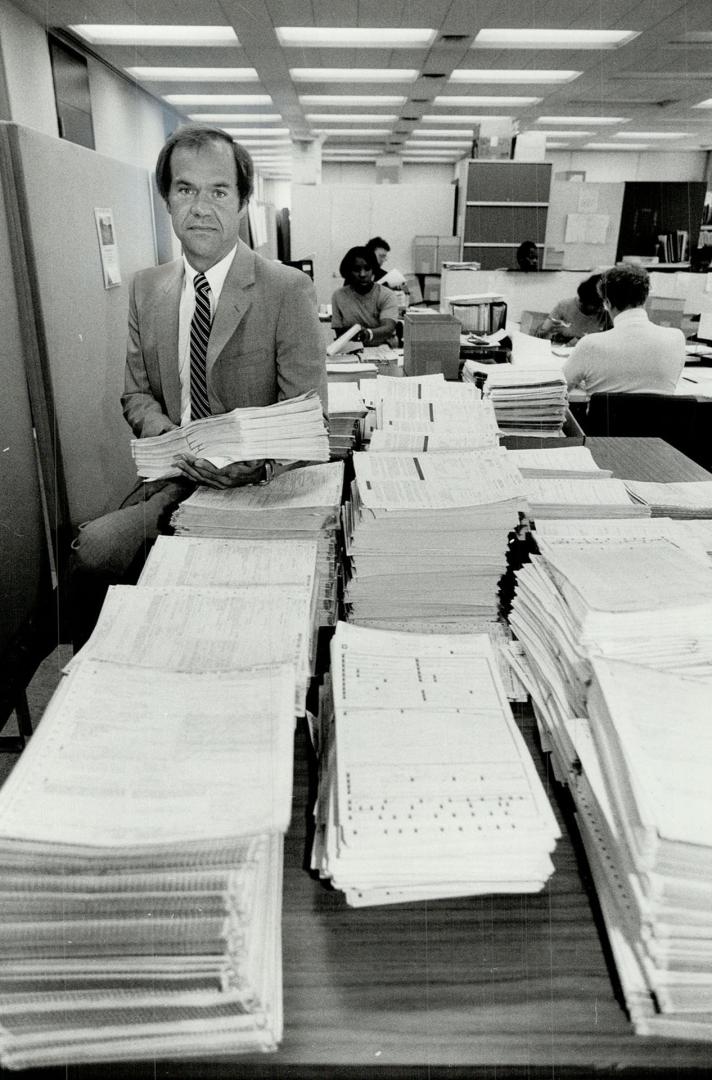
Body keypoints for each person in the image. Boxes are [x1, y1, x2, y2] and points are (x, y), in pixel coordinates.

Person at [72, 123, 327, 595]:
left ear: (242, 202)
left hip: (258, 484)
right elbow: (137, 394)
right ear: (167, 200)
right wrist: (169, 437)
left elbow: (307, 417)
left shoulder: (287, 288)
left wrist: (261, 461)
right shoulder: (147, 288)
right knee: (94, 553)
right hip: (177, 475)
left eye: (219, 191)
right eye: (186, 189)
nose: (201, 208)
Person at [562, 264, 685, 395]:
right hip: (660, 415)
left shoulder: (590, 344)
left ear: (607, 303)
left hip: (605, 415)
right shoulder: (676, 338)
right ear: (645, 298)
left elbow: (559, 390)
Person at [331, 246, 399, 346]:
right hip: (351, 350)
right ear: (349, 271)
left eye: (367, 268)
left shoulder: (387, 295)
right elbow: (339, 332)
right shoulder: (338, 296)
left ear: (373, 270)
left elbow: (388, 328)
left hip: (383, 349)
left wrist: (367, 334)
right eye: (357, 269)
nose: (362, 274)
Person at [536, 273, 611, 344]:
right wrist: (549, 331)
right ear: (584, 301)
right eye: (597, 305)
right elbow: (540, 336)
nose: (602, 308)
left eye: (605, 303)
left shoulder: (607, 313)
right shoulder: (564, 306)